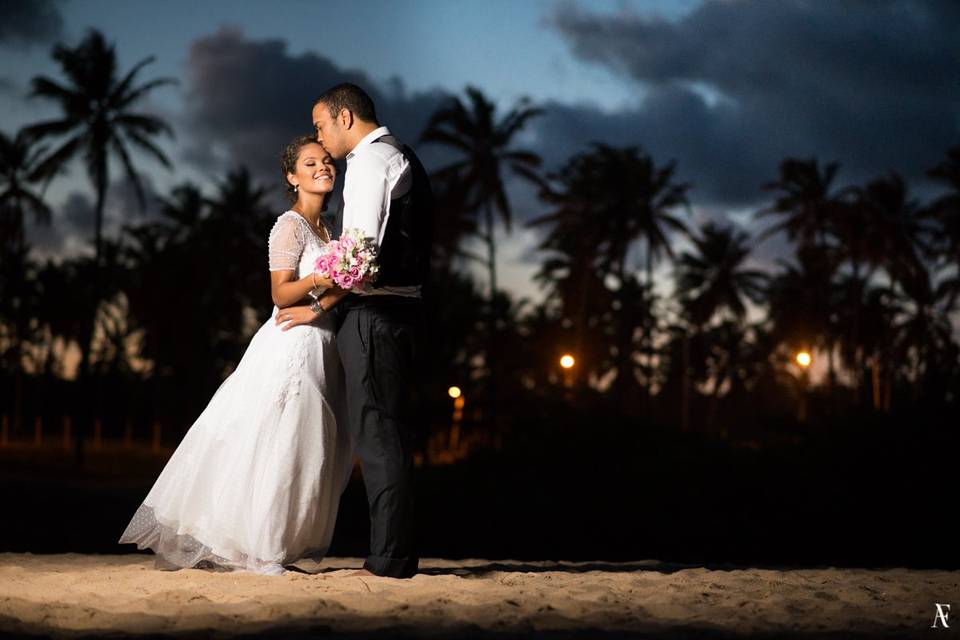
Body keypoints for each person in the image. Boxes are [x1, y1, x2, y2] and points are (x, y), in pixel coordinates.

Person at [118, 136, 353, 575]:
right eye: (310, 163)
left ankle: (280, 543)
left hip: (321, 339)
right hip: (291, 343)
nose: (323, 167)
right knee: (277, 439)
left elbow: (343, 287)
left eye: (326, 161)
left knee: (309, 443)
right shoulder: (289, 225)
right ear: (292, 176)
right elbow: (280, 293)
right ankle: (260, 547)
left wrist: (322, 300)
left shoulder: (330, 230)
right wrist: (321, 276)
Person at [280, 82, 433, 579]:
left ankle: (389, 559)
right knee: (387, 433)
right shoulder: (401, 154)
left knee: (378, 437)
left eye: (322, 126)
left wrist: (318, 305)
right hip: (403, 313)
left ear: (345, 118)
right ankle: (395, 553)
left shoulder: (368, 162)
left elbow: (359, 254)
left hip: (375, 317)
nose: (322, 141)